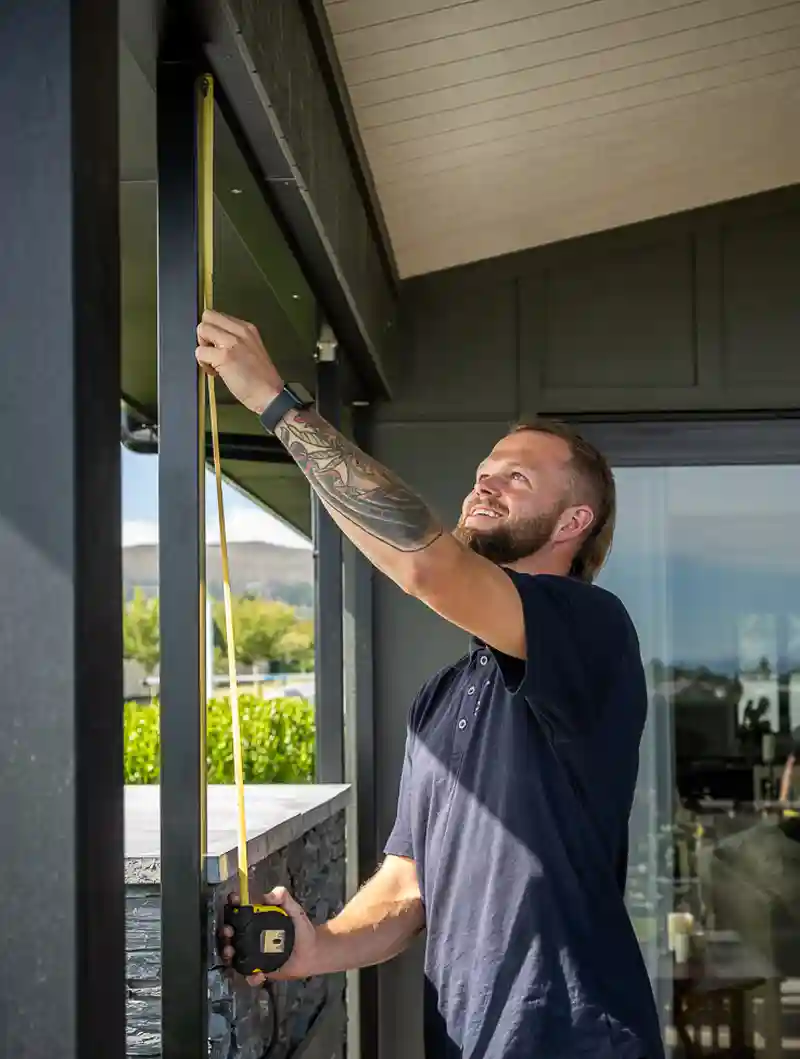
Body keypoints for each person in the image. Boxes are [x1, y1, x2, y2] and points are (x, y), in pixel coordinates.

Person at [196, 310, 663, 1059]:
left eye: (518, 476)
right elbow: (408, 888)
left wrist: (277, 404)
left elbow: (426, 565)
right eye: (484, 471)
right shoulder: (440, 697)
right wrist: (317, 947)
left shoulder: (592, 630)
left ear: (575, 519)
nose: (486, 483)